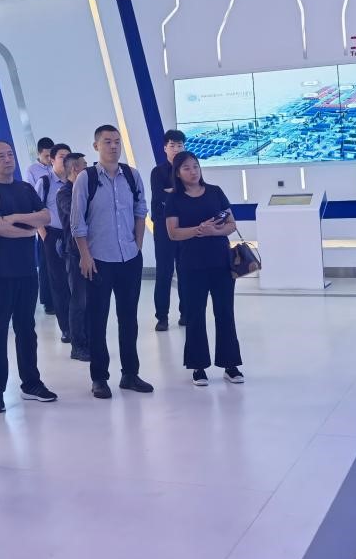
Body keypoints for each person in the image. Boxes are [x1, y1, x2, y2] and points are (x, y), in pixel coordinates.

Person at [0, 141, 58, 413]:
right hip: (0, 272)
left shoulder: (25, 188)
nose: (7, 159)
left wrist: (15, 218)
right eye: (1, 156)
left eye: (10, 154)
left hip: (27, 270)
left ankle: (31, 383)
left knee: (26, 328)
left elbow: (45, 216)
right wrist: (27, 230)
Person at [71, 125, 152, 399]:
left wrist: (137, 246)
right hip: (98, 261)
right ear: (96, 146)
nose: (113, 146)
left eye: (117, 141)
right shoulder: (87, 178)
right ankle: (99, 377)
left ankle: (130, 374)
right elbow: (77, 222)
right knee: (97, 320)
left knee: (129, 319)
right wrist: (85, 255)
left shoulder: (132, 175)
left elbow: (140, 210)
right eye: (107, 142)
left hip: (129, 258)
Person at [165, 152, 244, 386]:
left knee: (225, 313)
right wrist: (198, 230)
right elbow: (173, 233)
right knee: (195, 315)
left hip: (221, 263)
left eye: (196, 166)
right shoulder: (174, 199)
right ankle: (198, 366)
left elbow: (231, 224)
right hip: (191, 265)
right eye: (187, 168)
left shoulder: (215, 192)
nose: (193, 171)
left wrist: (215, 231)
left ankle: (230, 365)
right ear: (178, 173)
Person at [151, 130, 188, 331]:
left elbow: (193, 194)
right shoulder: (158, 172)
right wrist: (178, 193)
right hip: (163, 229)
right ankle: (162, 317)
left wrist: (171, 193)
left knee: (186, 271)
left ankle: (186, 313)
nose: (176, 149)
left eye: (179, 145)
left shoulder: (188, 169)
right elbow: (159, 198)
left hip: (186, 227)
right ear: (165, 148)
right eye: (172, 145)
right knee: (164, 273)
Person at [35, 144, 72, 342]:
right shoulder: (45, 182)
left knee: (76, 283)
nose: (65, 160)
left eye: (68, 156)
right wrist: (45, 236)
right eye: (61, 156)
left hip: (74, 236)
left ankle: (79, 325)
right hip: (53, 235)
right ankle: (66, 328)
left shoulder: (76, 180)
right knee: (59, 283)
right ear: (52, 160)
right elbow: (35, 209)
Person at [56, 152, 91, 362]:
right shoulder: (65, 193)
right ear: (75, 169)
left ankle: (90, 340)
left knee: (92, 300)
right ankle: (77, 346)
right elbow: (78, 213)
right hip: (75, 252)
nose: (88, 169)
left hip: (92, 250)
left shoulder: (86, 190)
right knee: (79, 300)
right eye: (84, 166)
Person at [26, 138, 56, 314]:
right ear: (38, 154)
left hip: (60, 223)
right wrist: (40, 229)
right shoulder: (32, 170)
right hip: (44, 225)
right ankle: (48, 301)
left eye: (51, 156)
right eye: (46, 156)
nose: (49, 159)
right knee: (45, 264)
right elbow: (32, 199)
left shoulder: (56, 167)